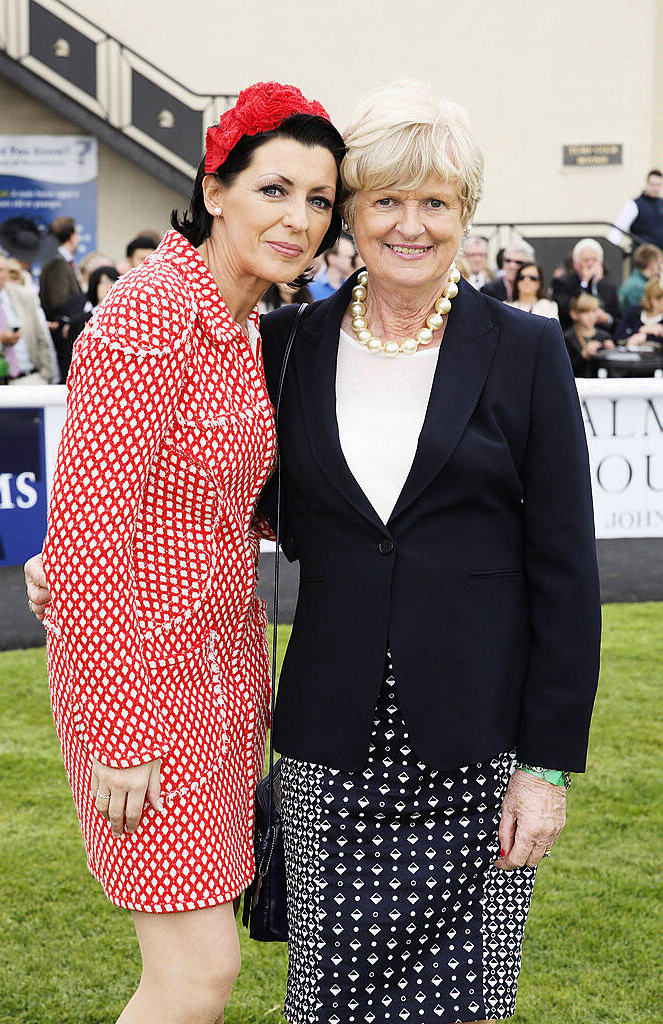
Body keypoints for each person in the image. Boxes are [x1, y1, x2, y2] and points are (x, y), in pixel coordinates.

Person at [255, 79, 600, 1024]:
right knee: (326, 1001)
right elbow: (211, 493)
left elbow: (565, 573)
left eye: (435, 202)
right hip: (330, 738)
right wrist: (84, 546)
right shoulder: (283, 345)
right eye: (386, 200)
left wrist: (547, 766)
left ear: (466, 214)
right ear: (350, 213)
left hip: (480, 743)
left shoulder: (525, 350)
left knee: (467, 1001)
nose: (411, 225)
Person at [22, 81, 346, 1024]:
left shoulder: (243, 323)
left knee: (202, 967)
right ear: (214, 188)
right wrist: (120, 734)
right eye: (273, 190)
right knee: (195, 972)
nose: (298, 221)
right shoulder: (147, 315)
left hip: (222, 679)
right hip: (143, 698)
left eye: (319, 201)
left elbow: (223, 501)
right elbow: (84, 543)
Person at [0, 247, 54, 384]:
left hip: (31, 378)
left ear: (7, 272)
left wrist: (46, 374)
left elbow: (41, 338)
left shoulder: (25, 295)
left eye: (1, 270)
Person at [551, 238, 620, 330]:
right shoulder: (562, 282)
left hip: (603, 337)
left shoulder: (609, 287)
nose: (590, 264)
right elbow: (566, 309)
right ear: (576, 264)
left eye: (594, 260)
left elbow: (618, 320)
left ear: (601, 263)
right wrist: (585, 282)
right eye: (586, 260)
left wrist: (607, 319)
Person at [38, 216, 82, 319]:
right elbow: (59, 301)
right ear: (71, 237)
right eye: (77, 234)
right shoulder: (57, 262)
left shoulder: (62, 260)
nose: (78, 239)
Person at [608, 169, 663, 249]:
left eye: (658, 185)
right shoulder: (633, 205)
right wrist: (611, 249)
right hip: (642, 255)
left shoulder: (661, 203)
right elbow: (618, 228)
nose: (655, 188)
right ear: (647, 183)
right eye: (652, 184)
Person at [563, 293, 615, 376]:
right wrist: (583, 356)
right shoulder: (567, 338)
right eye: (586, 312)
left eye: (594, 312)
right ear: (574, 314)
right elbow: (564, 368)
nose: (591, 317)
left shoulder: (604, 336)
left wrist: (612, 352)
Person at [613, 276, 663, 348]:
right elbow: (618, 336)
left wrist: (647, 337)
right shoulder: (634, 311)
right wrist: (639, 335)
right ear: (654, 300)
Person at [308, 230, 355, 299]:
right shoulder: (311, 289)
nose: (353, 261)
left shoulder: (351, 288)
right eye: (349, 257)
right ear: (332, 258)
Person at [617, 243, 662, 310]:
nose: (660, 268)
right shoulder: (639, 288)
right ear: (652, 264)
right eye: (658, 264)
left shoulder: (633, 281)